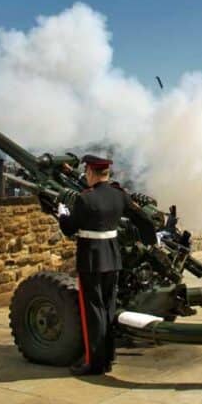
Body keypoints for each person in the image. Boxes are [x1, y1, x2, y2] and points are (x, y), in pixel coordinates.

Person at [57, 154, 129, 376]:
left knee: (93, 311)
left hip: (91, 260)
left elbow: (70, 228)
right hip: (112, 257)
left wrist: (62, 215)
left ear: (90, 172)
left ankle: (94, 362)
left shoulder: (85, 199)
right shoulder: (119, 195)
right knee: (108, 308)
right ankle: (108, 356)